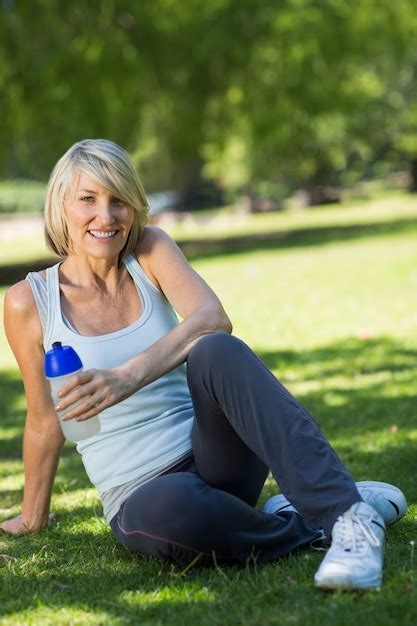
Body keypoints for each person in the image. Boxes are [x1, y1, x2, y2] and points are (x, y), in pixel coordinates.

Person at [1, 139, 407, 591]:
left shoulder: (149, 251)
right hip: (141, 491)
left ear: (135, 206)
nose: (106, 216)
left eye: (119, 200)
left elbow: (213, 318)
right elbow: (44, 417)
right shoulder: (28, 303)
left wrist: (126, 377)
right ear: (61, 206)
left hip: (216, 456)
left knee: (216, 348)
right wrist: (32, 516)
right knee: (171, 516)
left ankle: (345, 515)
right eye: (88, 199)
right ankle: (302, 525)